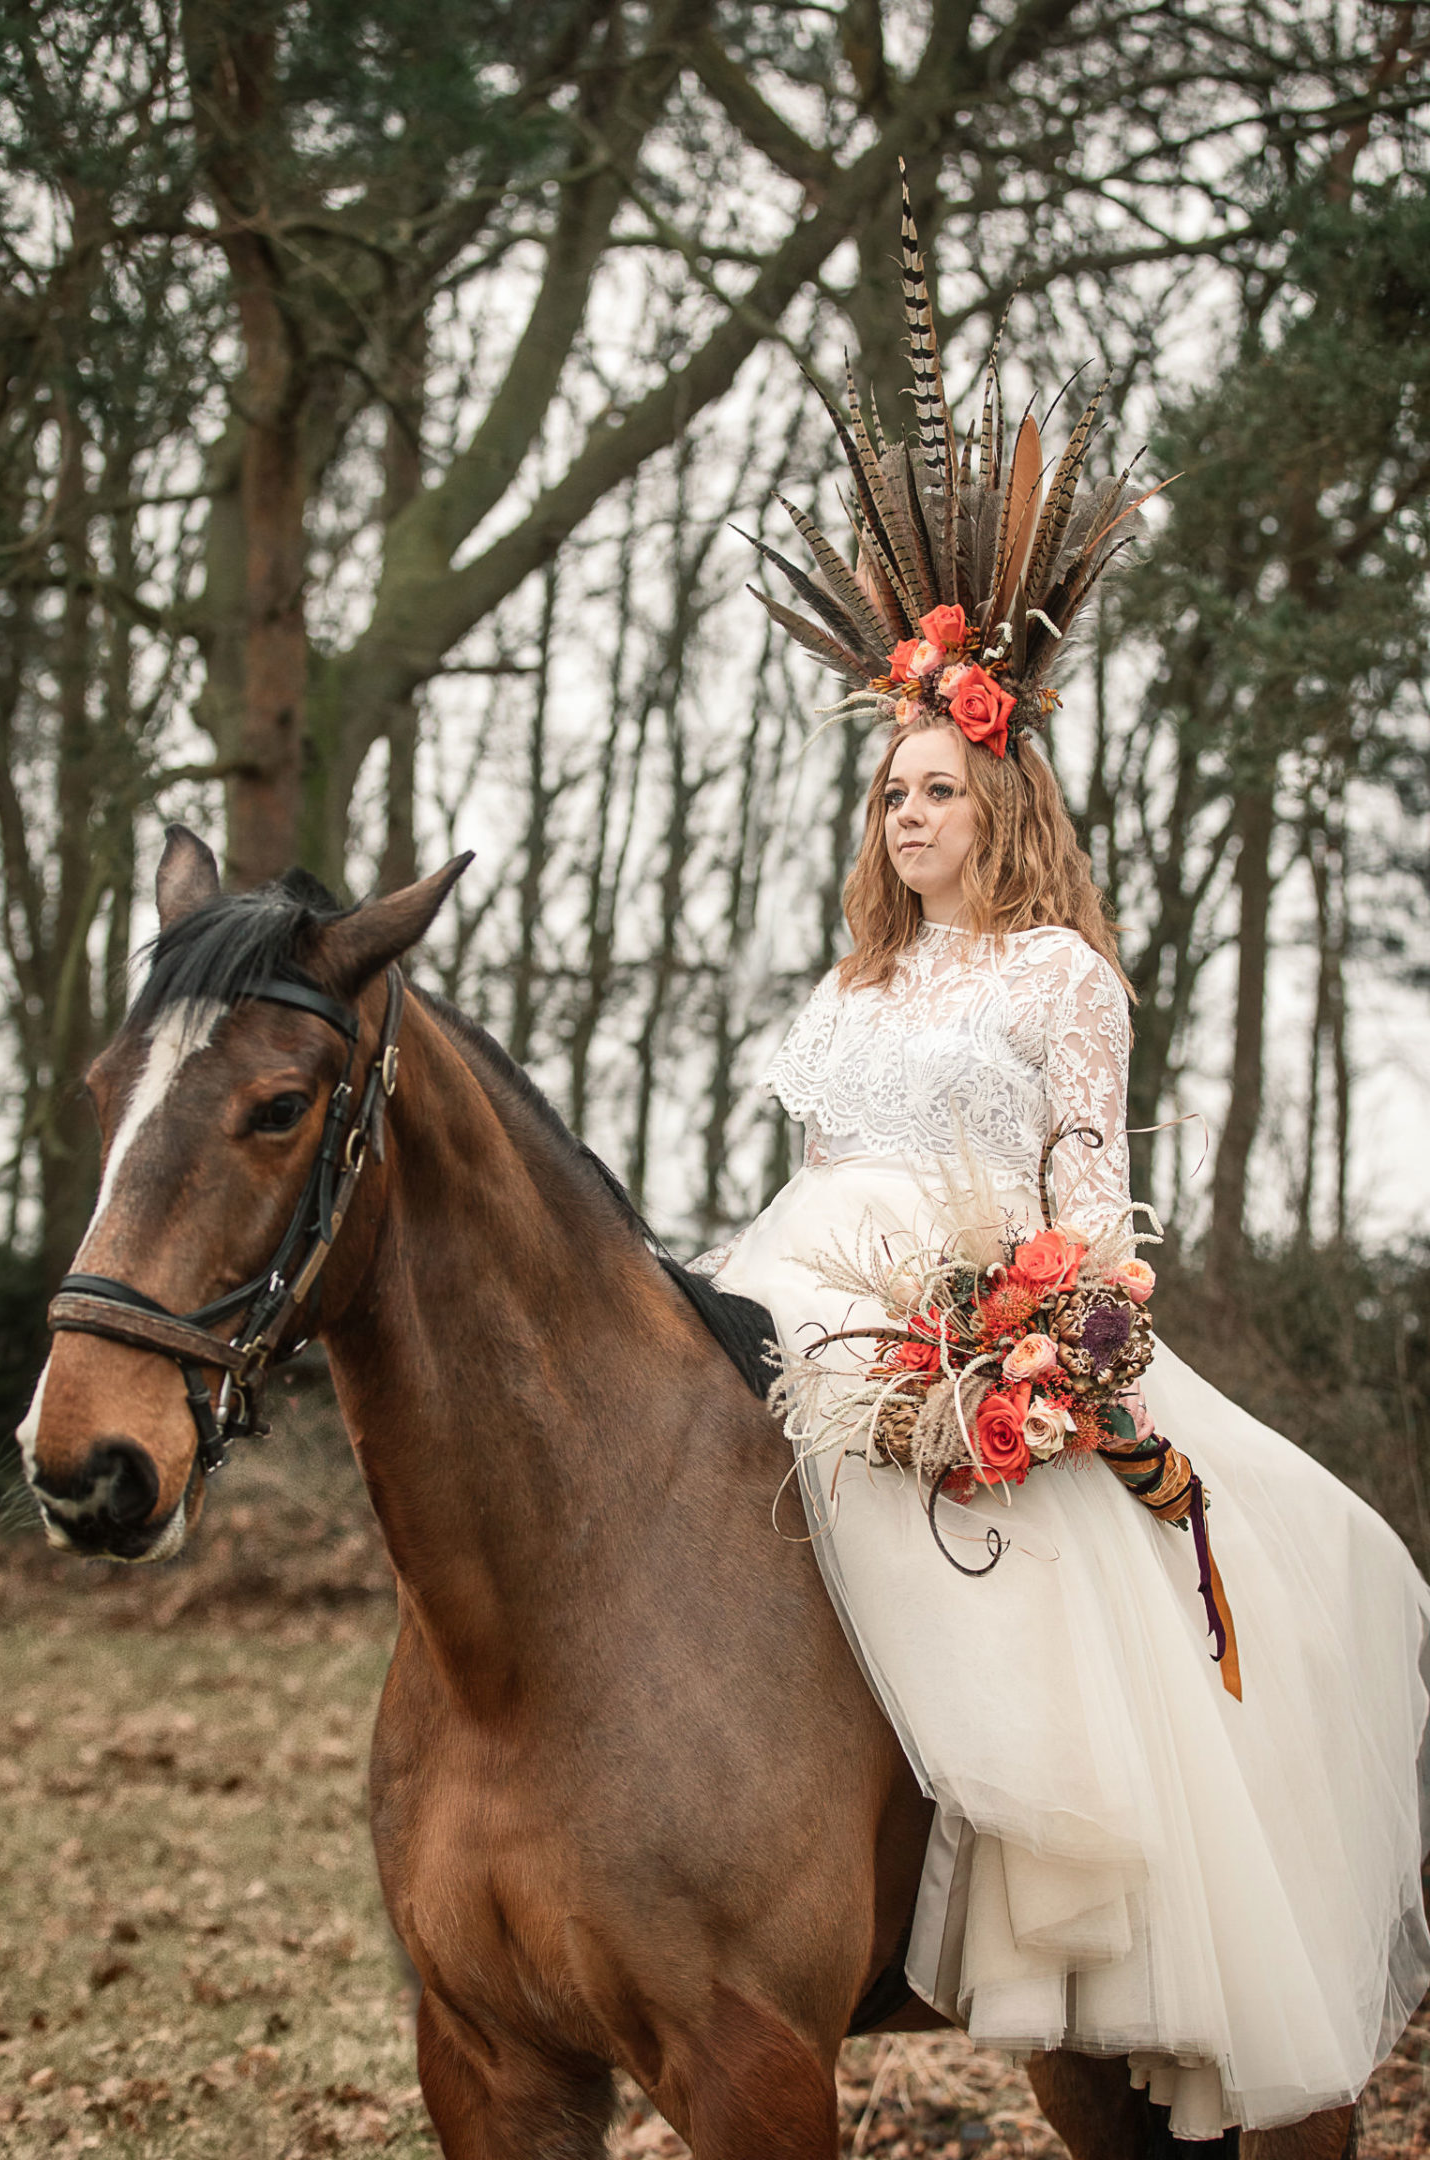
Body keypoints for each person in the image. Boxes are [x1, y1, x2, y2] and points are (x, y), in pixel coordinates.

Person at [689, 178, 1430, 2139]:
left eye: (933, 783)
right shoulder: (846, 991)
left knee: (1082, 1690)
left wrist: (1016, 1353)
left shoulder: (1057, 976)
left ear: (998, 790)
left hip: (985, 1352)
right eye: (885, 784)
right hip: (812, 1315)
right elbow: (822, 1183)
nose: (901, 809)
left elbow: (1094, 1219)